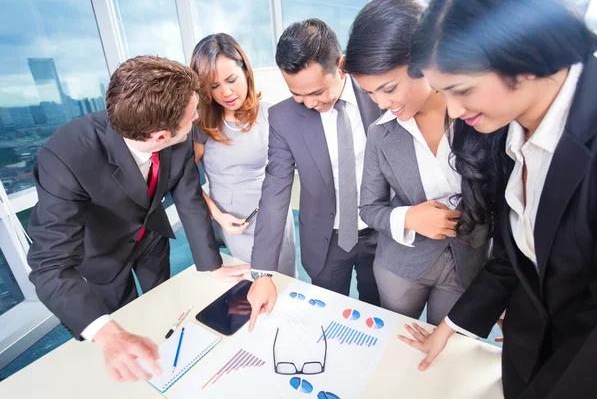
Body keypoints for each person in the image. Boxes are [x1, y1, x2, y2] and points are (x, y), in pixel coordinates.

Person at [398, 0, 597, 398]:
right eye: (443, 93)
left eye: (462, 90)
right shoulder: (502, 127)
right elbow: (515, 255)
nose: (453, 110)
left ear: (522, 56)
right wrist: (453, 325)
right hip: (528, 349)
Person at [27, 56, 225, 382]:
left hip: (151, 238)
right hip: (101, 255)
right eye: (192, 118)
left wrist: (211, 266)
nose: (196, 122)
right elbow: (49, 267)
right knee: (122, 322)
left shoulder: (177, 133)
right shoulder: (65, 156)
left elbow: (188, 198)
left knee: (164, 304)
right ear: (161, 136)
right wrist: (106, 333)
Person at [343, 0, 491, 326]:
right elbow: (368, 207)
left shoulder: (480, 116)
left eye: (389, 88)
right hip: (401, 267)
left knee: (446, 353)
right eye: (369, 94)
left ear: (426, 60)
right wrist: (409, 217)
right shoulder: (381, 134)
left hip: (467, 262)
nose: (382, 103)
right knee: (395, 345)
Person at [247, 19, 382, 329]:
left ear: (341, 65)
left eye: (317, 91)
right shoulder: (283, 118)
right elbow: (275, 190)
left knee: (379, 317)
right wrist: (263, 273)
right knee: (326, 321)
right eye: (298, 95)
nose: (310, 103)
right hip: (325, 240)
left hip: (381, 233)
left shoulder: (377, 93)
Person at [189, 33, 296, 279]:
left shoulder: (270, 113)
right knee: (248, 286)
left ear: (246, 71)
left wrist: (274, 197)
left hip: (275, 213)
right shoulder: (202, 126)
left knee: (286, 282)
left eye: (231, 79)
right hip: (234, 221)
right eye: (214, 86)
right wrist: (218, 215)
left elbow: (289, 165)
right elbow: (185, 182)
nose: (226, 92)